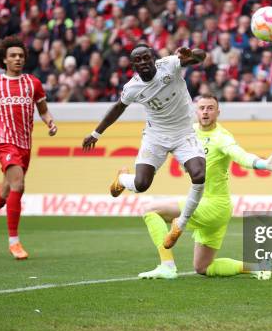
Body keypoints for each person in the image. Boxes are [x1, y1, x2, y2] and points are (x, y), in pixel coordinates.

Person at [138, 94, 272, 279]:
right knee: (203, 267)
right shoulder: (189, 132)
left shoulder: (221, 137)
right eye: (202, 108)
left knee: (151, 210)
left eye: (210, 108)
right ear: (195, 111)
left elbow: (240, 155)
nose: (205, 112)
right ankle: (257, 266)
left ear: (218, 112)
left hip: (214, 206)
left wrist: (262, 164)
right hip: (212, 206)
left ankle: (167, 266)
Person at [82, 44, 206, 248]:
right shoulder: (132, 88)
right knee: (141, 184)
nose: (143, 62)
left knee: (199, 175)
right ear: (133, 65)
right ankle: (122, 179)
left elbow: (202, 57)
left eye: (146, 58)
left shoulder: (170, 64)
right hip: (155, 136)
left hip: (183, 134)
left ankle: (180, 223)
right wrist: (96, 133)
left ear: (153, 58)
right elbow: (117, 108)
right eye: (137, 60)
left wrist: (191, 54)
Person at [0, 36, 58, 259]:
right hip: (5, 142)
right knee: (18, 184)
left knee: (6, 191)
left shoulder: (33, 83)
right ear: (4, 60)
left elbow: (43, 110)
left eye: (20, 56)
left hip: (25, 144)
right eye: (13, 56)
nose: (17, 59)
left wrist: (50, 122)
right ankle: (14, 242)